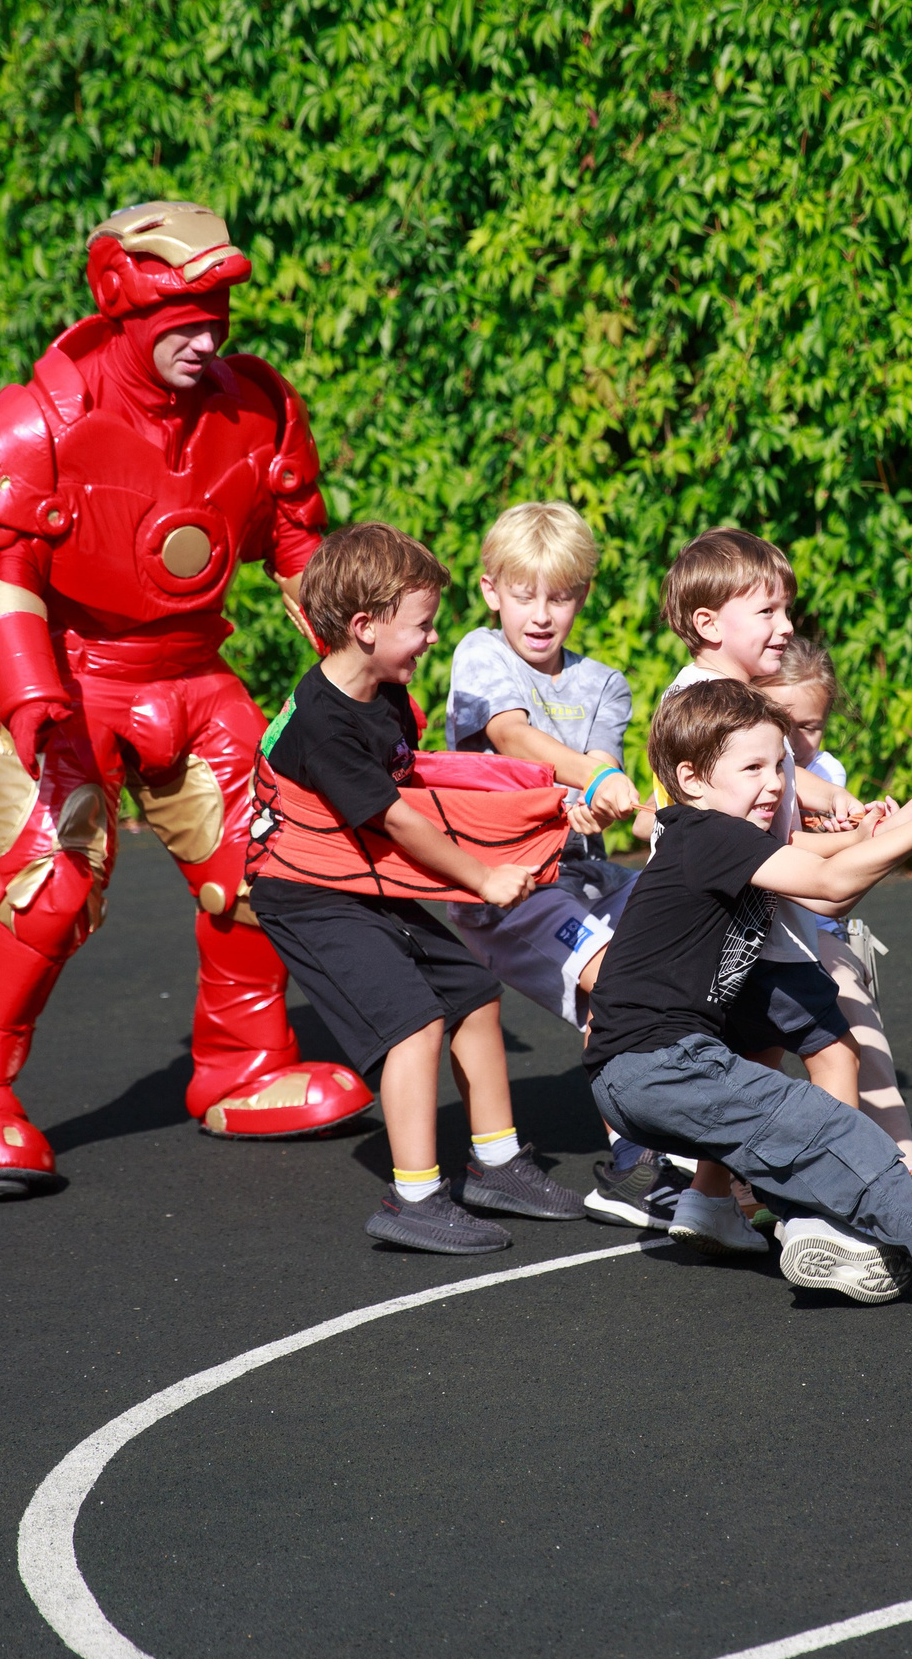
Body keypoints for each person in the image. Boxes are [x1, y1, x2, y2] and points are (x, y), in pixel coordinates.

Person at [0, 200, 368, 1200]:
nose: (205, 339)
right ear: (122, 303)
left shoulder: (256, 408)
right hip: (79, 682)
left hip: (196, 675)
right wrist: (31, 692)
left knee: (266, 861)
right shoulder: (38, 421)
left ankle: (243, 1063)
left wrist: (355, 670)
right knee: (51, 885)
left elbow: (300, 554)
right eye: (182, 321)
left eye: (217, 317)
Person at [585, 678, 912, 1333]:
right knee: (839, 1127)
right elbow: (829, 884)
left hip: (628, 1075)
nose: (775, 782)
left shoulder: (703, 837)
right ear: (692, 779)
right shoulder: (709, 833)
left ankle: (760, 1217)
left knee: (779, 1131)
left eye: (781, 764)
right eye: (752, 767)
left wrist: (885, 827)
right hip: (664, 1063)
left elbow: (824, 873)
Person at [244, 523, 587, 1252]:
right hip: (303, 890)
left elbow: (415, 782)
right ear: (365, 627)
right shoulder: (325, 722)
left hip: (350, 875)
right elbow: (399, 822)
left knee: (471, 994)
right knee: (412, 1021)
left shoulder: (384, 690)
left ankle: (496, 1162)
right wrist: (484, 874)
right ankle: (414, 1197)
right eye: (422, 624)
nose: (433, 638)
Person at [437, 500, 688, 1229]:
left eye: (561, 595)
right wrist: (583, 782)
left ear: (582, 595)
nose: (541, 613)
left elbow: (603, 770)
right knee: (613, 982)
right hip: (506, 885)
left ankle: (678, 1141)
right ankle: (633, 1162)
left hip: (583, 875)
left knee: (680, 952)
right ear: (491, 590)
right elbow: (511, 737)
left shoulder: (605, 683)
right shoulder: (480, 652)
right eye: (524, 593)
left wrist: (599, 796)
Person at [648, 531, 872, 1256]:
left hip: (734, 928)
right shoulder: (703, 704)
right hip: (729, 927)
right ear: (709, 624)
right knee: (835, 1051)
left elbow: (790, 780)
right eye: (768, 612)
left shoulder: (729, 700)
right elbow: (743, 837)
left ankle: (708, 1200)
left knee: (759, 1054)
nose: (786, 627)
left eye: (787, 610)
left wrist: (839, 800)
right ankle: (833, 1211)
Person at [756, 638, 912, 1228]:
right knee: (758, 1056)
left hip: (814, 927)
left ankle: (907, 1170)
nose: (798, 743)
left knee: (861, 1031)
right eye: (784, 725)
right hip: (761, 927)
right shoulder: (749, 769)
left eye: (811, 727)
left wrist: (880, 827)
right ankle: (744, 1182)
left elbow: (838, 882)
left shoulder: (827, 775)